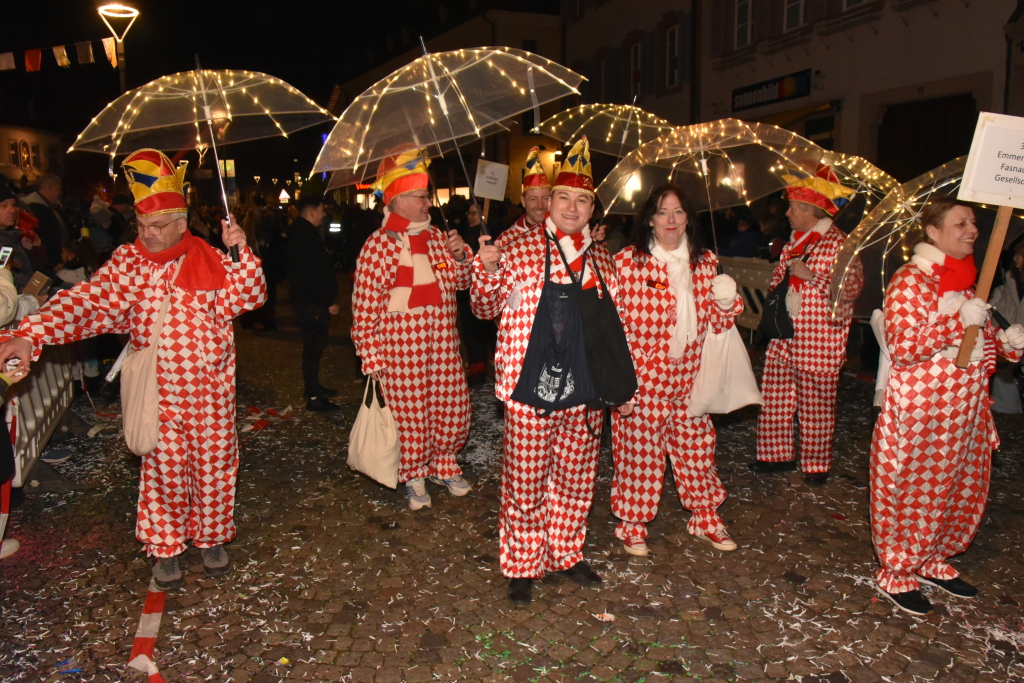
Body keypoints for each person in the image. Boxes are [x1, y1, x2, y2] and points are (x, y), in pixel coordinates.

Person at [0, 149, 267, 589]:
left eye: (157, 227)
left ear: (182, 223)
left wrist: (240, 252)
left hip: (212, 390)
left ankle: (212, 536)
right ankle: (165, 548)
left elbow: (249, 297)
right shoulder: (129, 262)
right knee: (163, 467)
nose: (148, 235)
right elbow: (87, 302)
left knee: (215, 464)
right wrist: (32, 333)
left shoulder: (210, 257)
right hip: (157, 390)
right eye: (141, 227)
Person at [473, 137, 615, 605]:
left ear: (592, 208)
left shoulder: (602, 261)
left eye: (582, 200)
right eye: (563, 198)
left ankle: (566, 553)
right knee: (526, 477)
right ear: (548, 203)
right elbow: (483, 307)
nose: (572, 207)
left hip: (585, 386)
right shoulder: (518, 250)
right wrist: (487, 271)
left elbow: (619, 328)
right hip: (527, 384)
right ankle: (522, 562)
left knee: (576, 476)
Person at [870, 199, 1024, 616]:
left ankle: (934, 556)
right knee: (913, 490)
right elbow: (903, 347)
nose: (972, 229)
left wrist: (1007, 346)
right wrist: (958, 322)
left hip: (967, 410)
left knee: (958, 488)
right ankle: (897, 570)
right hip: (923, 411)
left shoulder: (968, 284)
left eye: (973, 222)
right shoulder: (911, 280)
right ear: (933, 233)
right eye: (960, 223)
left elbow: (978, 346)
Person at [611, 185, 742, 556]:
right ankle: (632, 523)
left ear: (688, 218)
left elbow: (719, 324)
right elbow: (611, 326)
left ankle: (705, 516)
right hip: (643, 378)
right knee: (639, 452)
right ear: (649, 219)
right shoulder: (627, 263)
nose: (671, 220)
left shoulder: (706, 263)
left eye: (679, 212)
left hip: (691, 377)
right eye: (663, 212)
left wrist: (727, 300)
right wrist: (619, 385)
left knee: (697, 449)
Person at [351, 149, 473, 510]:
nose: (428, 204)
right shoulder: (377, 246)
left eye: (426, 196)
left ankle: (444, 462)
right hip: (398, 352)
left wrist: (462, 256)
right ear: (399, 199)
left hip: (443, 344)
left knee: (451, 405)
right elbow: (363, 310)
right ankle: (414, 471)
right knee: (410, 413)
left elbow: (462, 284)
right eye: (421, 197)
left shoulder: (438, 237)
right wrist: (371, 357)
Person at [750, 168, 860, 485]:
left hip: (820, 340)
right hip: (785, 336)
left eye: (793, 207)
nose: (787, 213)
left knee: (816, 405)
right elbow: (777, 281)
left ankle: (816, 464)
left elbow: (851, 287)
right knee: (775, 397)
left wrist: (814, 278)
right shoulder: (795, 242)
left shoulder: (839, 244)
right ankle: (776, 456)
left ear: (810, 211)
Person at [287, 193, 340, 411]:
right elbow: (312, 274)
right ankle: (314, 397)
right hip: (312, 303)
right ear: (311, 212)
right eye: (321, 211)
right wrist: (327, 301)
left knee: (315, 348)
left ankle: (314, 388)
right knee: (312, 349)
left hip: (308, 301)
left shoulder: (303, 233)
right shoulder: (305, 236)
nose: (324, 215)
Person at [459, 203, 496, 384]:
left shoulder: (492, 234)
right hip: (468, 294)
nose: (470, 216)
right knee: (471, 332)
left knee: (488, 330)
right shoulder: (464, 235)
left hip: (487, 294)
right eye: (469, 212)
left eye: (475, 213)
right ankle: (477, 367)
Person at [988, 240, 1024, 413]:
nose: (1015, 258)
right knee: (1004, 373)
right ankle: (1007, 414)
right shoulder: (1006, 285)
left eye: (1019, 255)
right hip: (1007, 343)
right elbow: (988, 311)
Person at [494, 147, 551, 249]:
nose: (540, 205)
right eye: (533, 199)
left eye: (545, 198)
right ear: (523, 201)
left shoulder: (563, 234)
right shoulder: (506, 240)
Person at [23, 174, 67, 267]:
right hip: (49, 264)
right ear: (50, 187)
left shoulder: (46, 207)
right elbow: (49, 238)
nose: (61, 193)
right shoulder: (37, 208)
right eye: (59, 189)